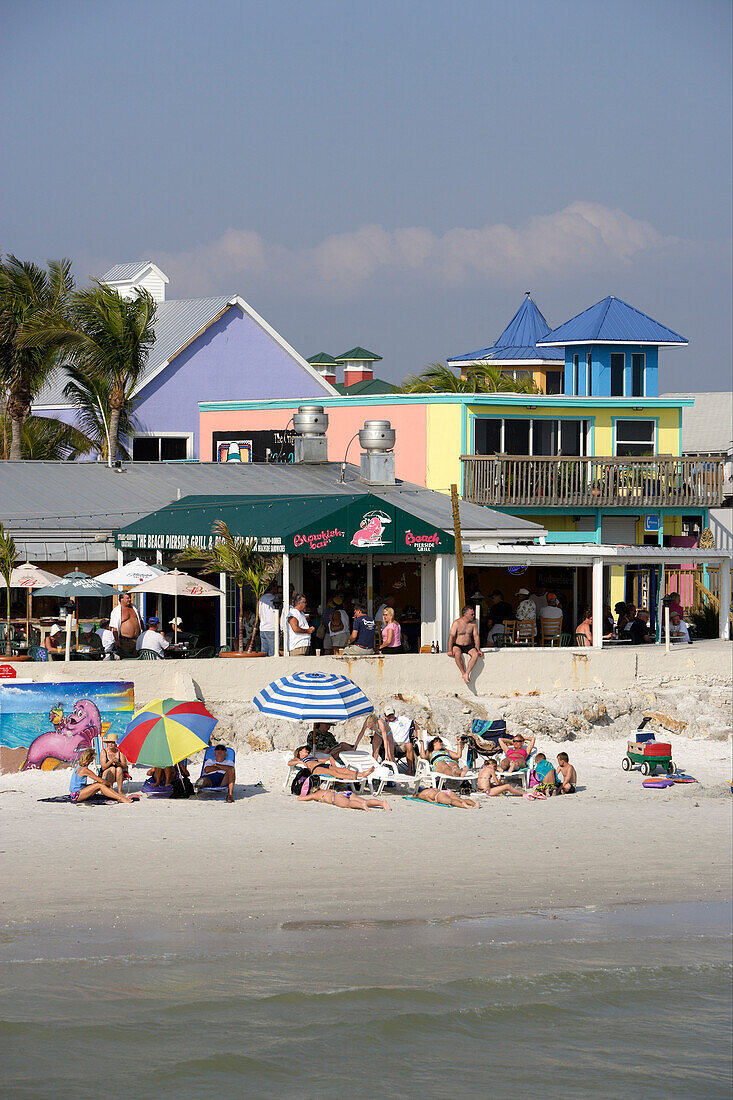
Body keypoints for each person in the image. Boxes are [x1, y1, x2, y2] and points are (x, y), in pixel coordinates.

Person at [68, 748, 136, 804]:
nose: (92, 760)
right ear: (90, 758)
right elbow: (100, 780)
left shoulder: (79, 766)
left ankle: (118, 796)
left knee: (98, 784)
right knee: (100, 785)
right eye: (92, 758)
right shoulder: (85, 770)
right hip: (77, 795)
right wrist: (108, 784)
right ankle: (120, 798)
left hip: (75, 793)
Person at [289, 745, 375, 783]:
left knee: (343, 769)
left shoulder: (312, 757)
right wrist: (299, 762)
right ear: (299, 751)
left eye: (308, 750)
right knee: (334, 773)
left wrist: (330, 758)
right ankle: (352, 776)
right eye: (305, 750)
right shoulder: (299, 758)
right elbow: (289, 763)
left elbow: (322, 760)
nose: (307, 751)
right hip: (315, 769)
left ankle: (362, 774)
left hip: (321, 765)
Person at [378, 706, 420, 773]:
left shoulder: (403, 719)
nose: (391, 716)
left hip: (404, 744)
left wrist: (417, 733)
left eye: (392, 714)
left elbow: (415, 726)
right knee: (390, 746)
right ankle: (393, 768)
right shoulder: (385, 724)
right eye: (388, 715)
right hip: (393, 744)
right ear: (385, 716)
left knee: (409, 745)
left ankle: (409, 770)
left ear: (394, 712)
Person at [447, 605, 481, 684]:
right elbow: (451, 636)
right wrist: (449, 649)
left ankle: (467, 673)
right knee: (457, 654)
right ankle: (463, 673)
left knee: (475, 655)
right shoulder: (457, 623)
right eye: (472, 614)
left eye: (473, 614)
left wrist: (478, 649)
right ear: (465, 615)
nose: (474, 616)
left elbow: (476, 636)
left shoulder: (473, 623)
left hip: (468, 645)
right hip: (457, 645)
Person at [298, 787, 391, 811]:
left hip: (336, 798)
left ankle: (361, 806)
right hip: (343, 792)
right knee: (365, 800)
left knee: (348, 804)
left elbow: (301, 799)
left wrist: (303, 796)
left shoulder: (315, 795)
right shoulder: (324, 790)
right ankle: (381, 803)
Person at [110, 592, 142, 658]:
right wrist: (117, 640)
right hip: (125, 641)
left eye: (130, 598)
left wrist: (144, 633)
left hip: (137, 640)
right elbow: (114, 627)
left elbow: (140, 621)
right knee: (126, 660)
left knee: (138, 660)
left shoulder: (134, 608)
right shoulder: (116, 611)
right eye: (127, 598)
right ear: (121, 599)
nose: (129, 600)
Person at [257, 584, 278, 656]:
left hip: (263, 627)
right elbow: (278, 614)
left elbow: (259, 614)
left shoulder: (261, 599)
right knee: (273, 652)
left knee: (264, 652)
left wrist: (263, 622)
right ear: (273, 588)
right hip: (272, 628)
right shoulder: (274, 599)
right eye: (276, 587)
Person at [414, 786, 479, 808]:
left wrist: (432, 801)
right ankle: (474, 804)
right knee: (461, 799)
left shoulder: (421, 794)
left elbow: (426, 797)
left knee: (451, 801)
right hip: (446, 791)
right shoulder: (432, 789)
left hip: (439, 795)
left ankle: (465, 806)